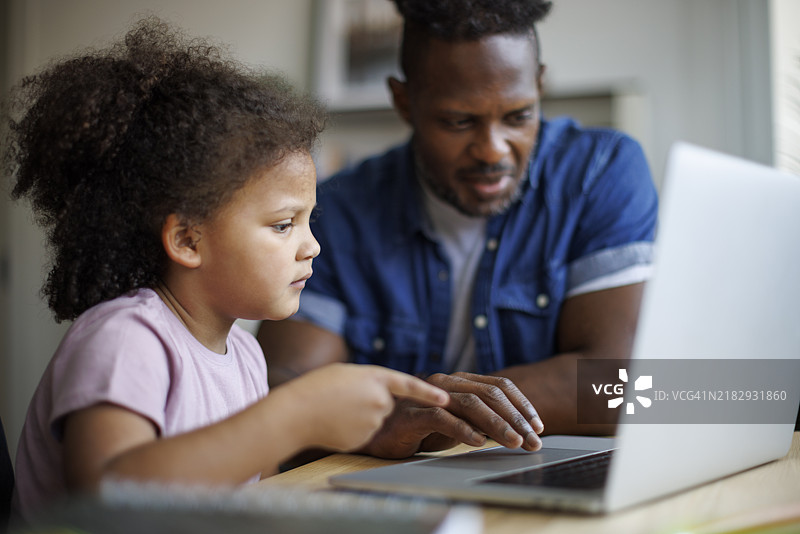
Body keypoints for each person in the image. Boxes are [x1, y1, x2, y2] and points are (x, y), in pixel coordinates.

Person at [2, 17, 536, 521]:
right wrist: (293, 415)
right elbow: (105, 505)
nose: (313, 248)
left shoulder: (246, 355)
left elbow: (255, 504)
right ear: (188, 239)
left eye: (308, 221)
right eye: (284, 225)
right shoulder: (124, 340)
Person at [258, 0, 658, 449]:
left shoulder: (601, 171)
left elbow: (620, 387)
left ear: (540, 85)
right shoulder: (341, 210)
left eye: (519, 116)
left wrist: (426, 411)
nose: (493, 151)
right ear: (404, 102)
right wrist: (401, 418)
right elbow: (289, 389)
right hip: (390, 487)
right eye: (459, 121)